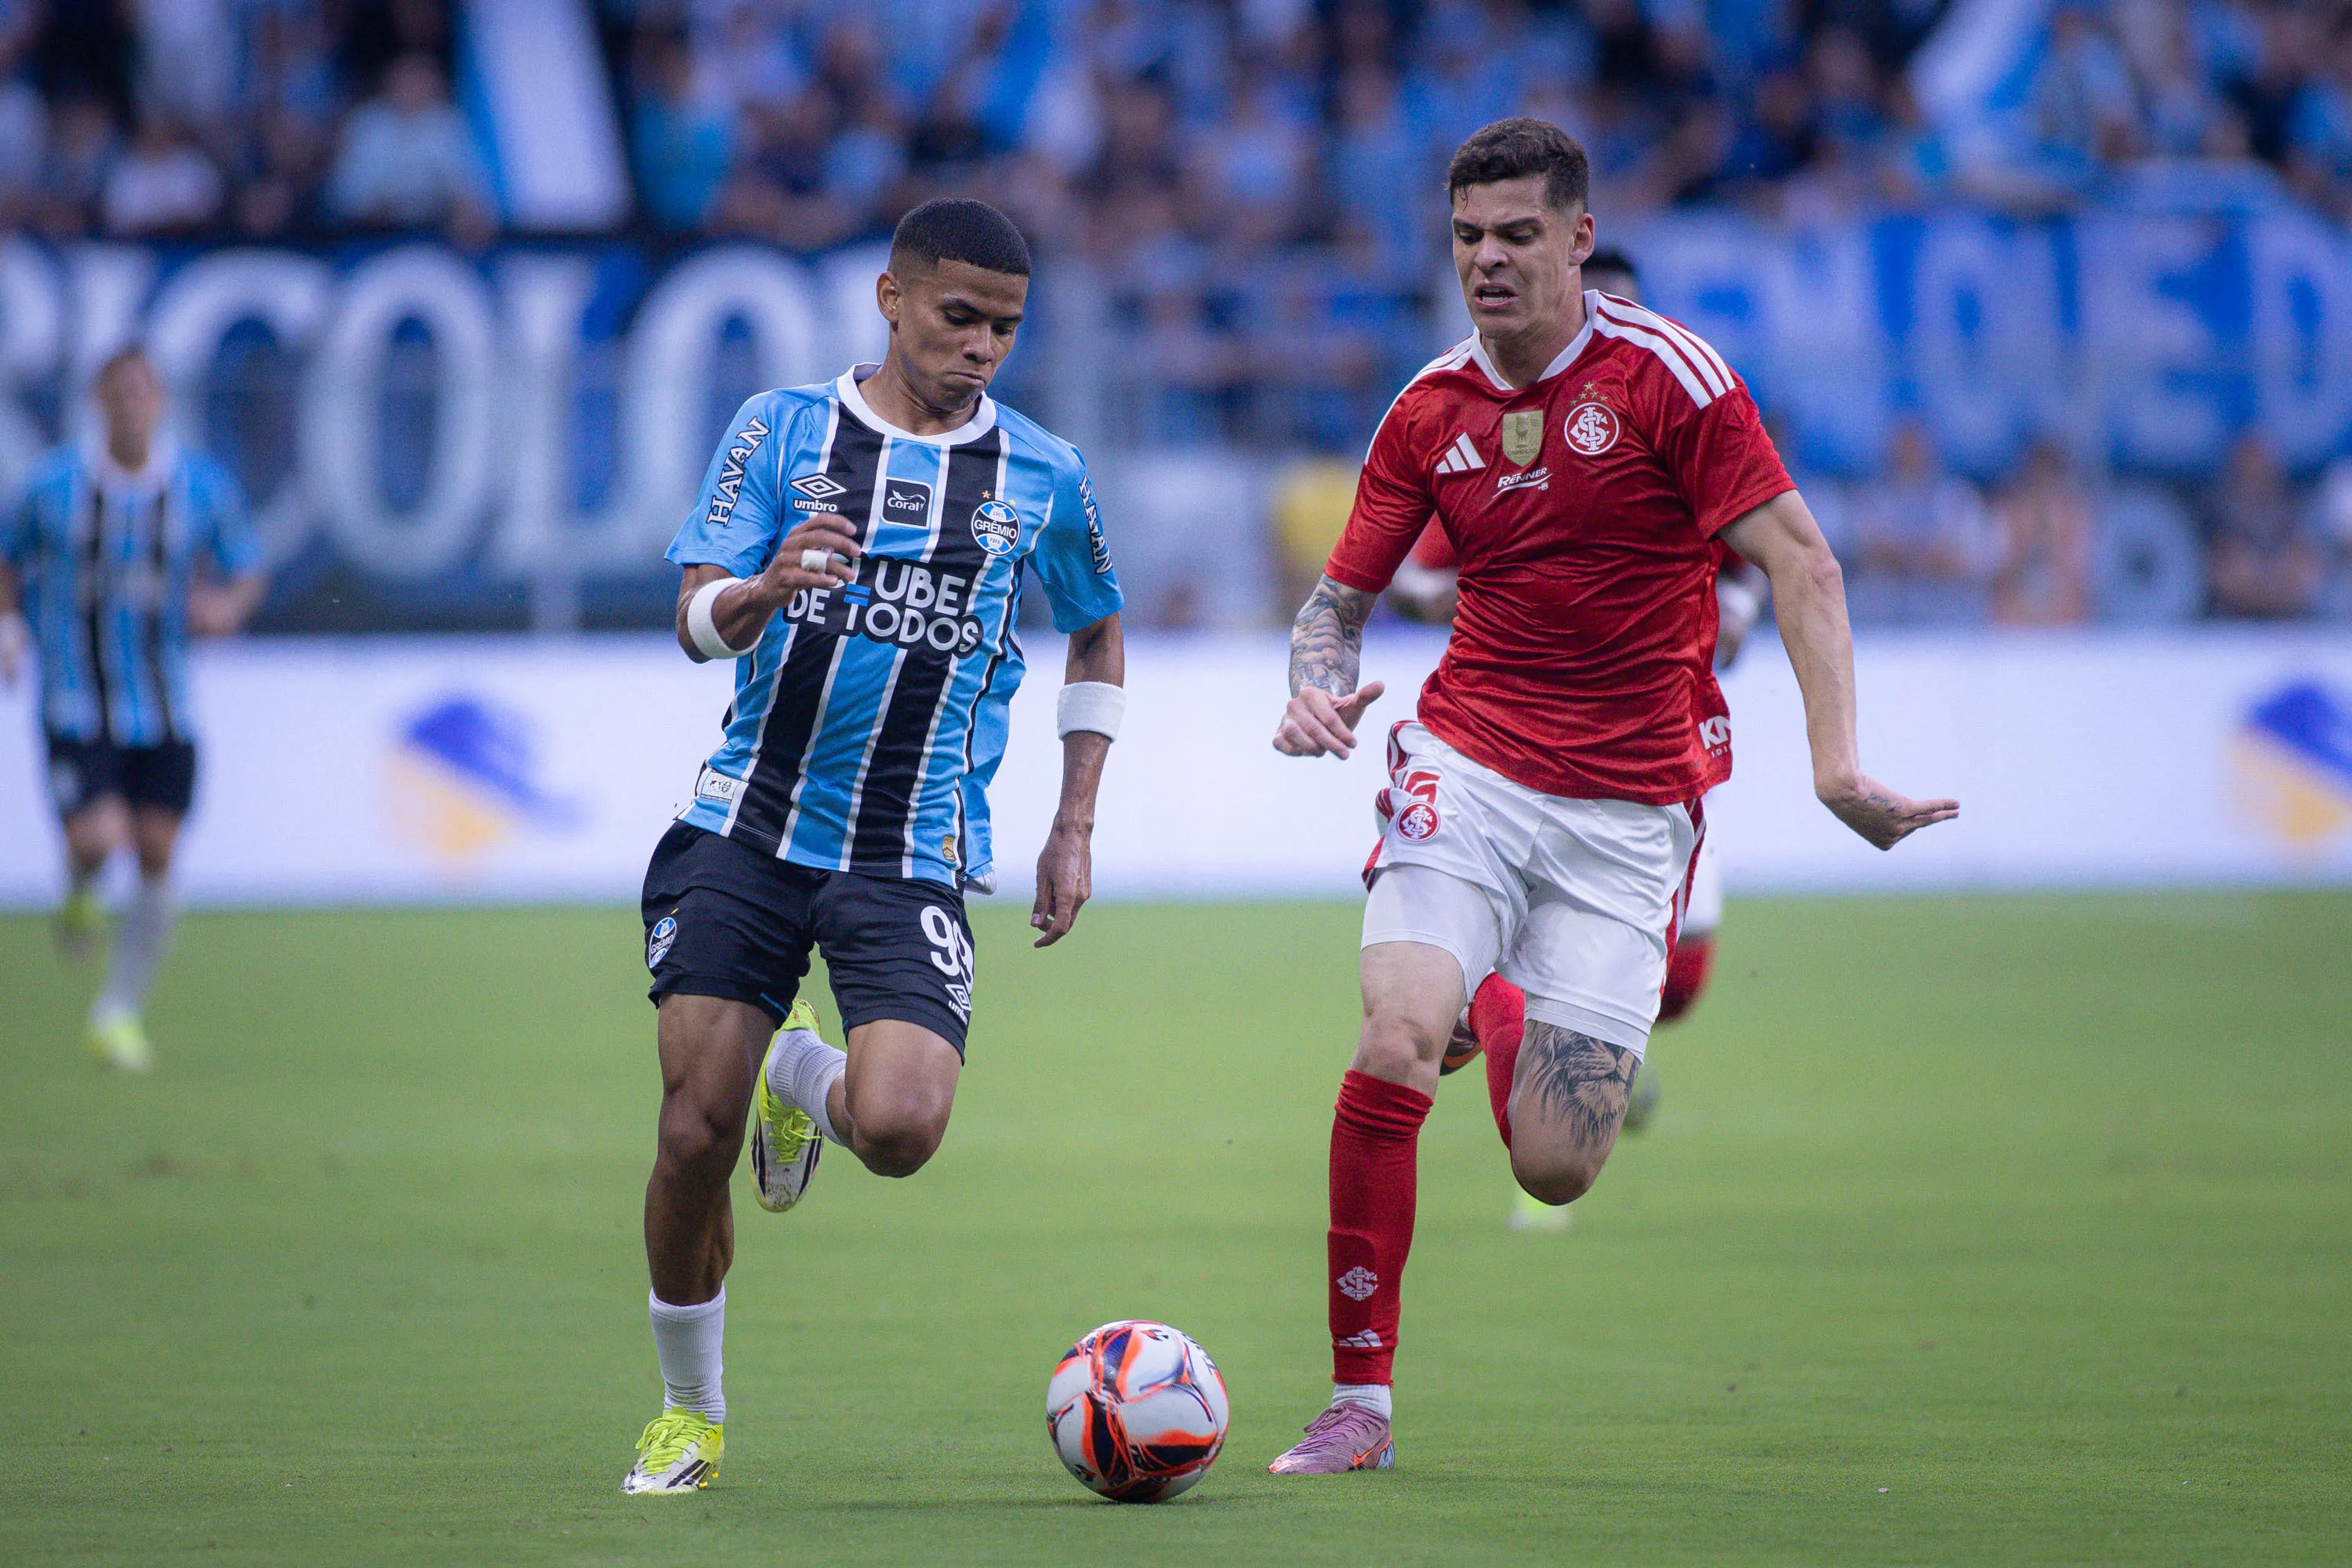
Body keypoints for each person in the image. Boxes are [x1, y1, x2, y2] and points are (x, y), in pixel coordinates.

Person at [1265, 118, 1955, 1475]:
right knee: (1393, 1036)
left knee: (1556, 1165)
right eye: (1468, 237)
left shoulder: (1672, 384)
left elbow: (1805, 568)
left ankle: (1494, 997)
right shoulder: (1427, 410)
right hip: (1465, 761)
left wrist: (1833, 768)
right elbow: (1335, 606)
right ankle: (1361, 1402)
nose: (1488, 261)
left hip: (1631, 815)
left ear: (1582, 239)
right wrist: (1311, 681)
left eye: (1518, 234)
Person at [622, 198, 1126, 1494]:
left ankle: (801, 1075)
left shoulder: (1043, 474)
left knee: (900, 1130)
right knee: (691, 1135)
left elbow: (1097, 627)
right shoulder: (781, 431)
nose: (983, 348)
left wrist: (1074, 822)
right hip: (747, 825)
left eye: (1007, 327)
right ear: (891, 296)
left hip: (913, 850)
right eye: (960, 317)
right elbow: (689, 617)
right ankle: (691, 1414)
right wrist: (760, 593)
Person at [1386, 245, 1768, 1233]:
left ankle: (1563, 1030)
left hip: (1658, 758)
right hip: (1514, 760)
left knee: (1679, 985)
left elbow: (1763, 557)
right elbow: (1412, 571)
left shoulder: (1677, 407)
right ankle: (1519, 1010)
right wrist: (1466, 595)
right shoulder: (1499, 426)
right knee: (1538, 961)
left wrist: (1740, 604)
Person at [0, 345, 265, 1071]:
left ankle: (117, 1011)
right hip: (75, 700)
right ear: (97, 400)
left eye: (143, 392)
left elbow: (245, 566)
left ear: (162, 402)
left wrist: (224, 608)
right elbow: (6, 558)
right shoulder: (52, 487)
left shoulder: (200, 489)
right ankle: (80, 883)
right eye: (118, 392)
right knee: (97, 839)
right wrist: (9, 628)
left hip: (166, 707)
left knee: (156, 852)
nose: (131, 404)